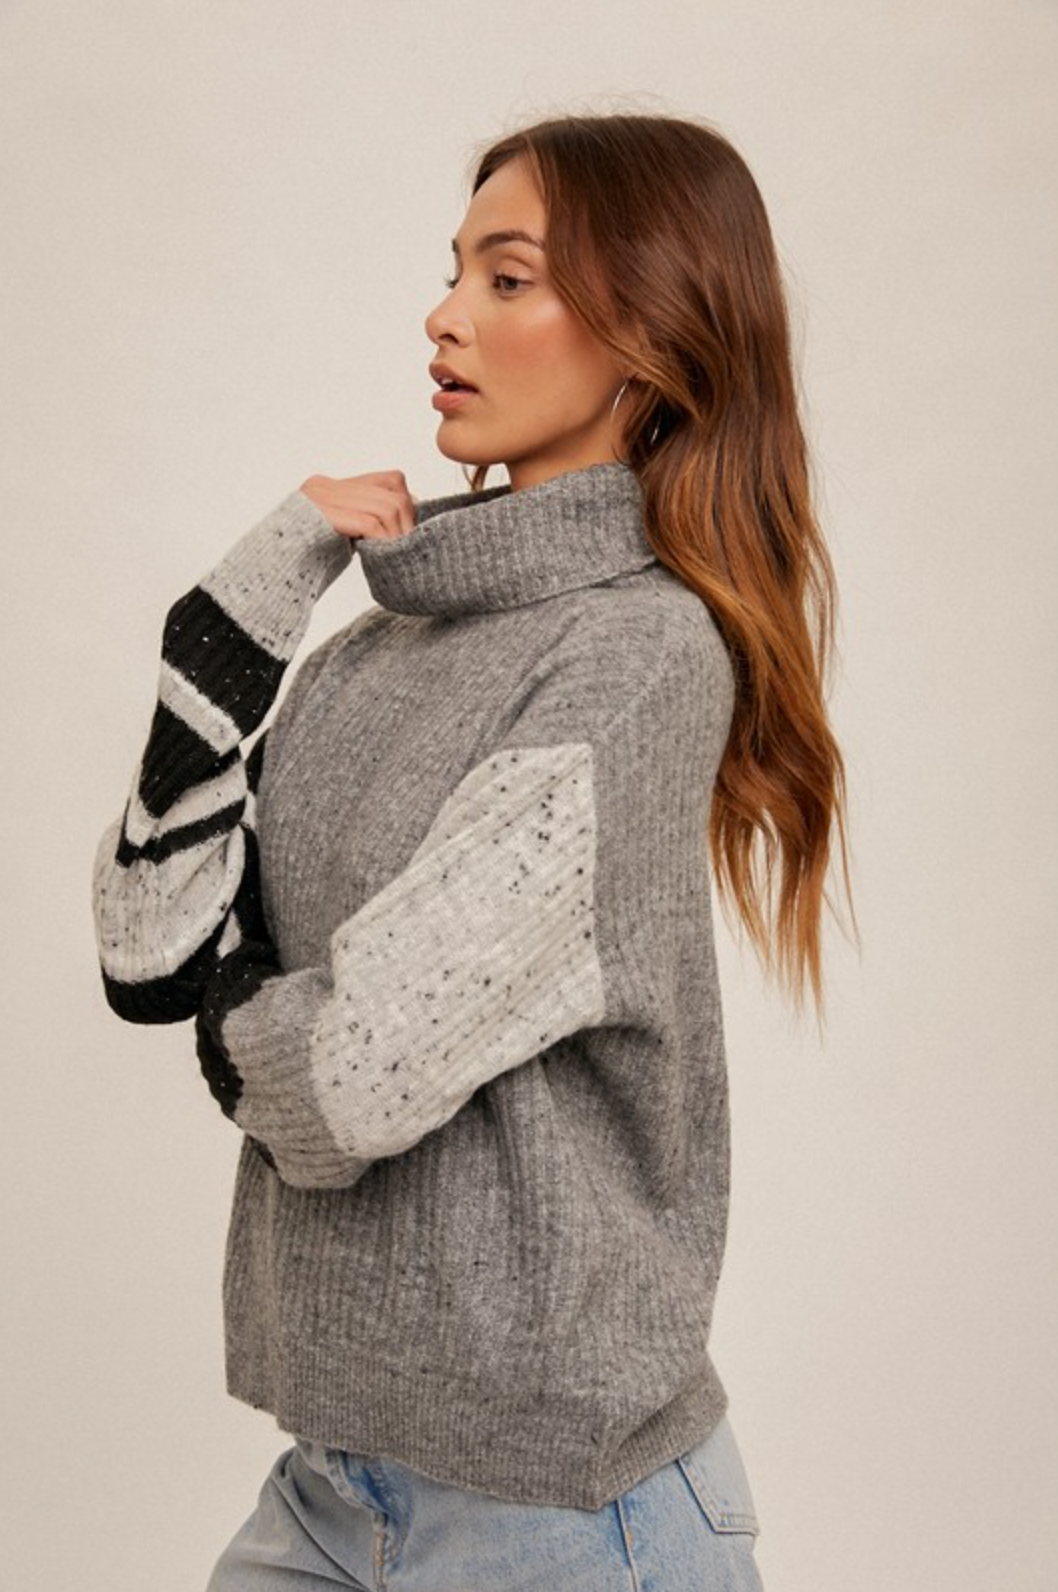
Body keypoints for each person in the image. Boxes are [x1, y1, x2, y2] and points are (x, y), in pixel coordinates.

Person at [91, 111, 854, 1591]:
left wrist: (240, 1012)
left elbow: (354, 1076)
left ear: (650, 340)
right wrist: (244, 605)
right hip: (332, 1484)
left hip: (566, 1518)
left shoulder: (638, 659)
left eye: (508, 279)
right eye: (453, 274)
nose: (443, 316)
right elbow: (147, 949)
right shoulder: (367, 652)